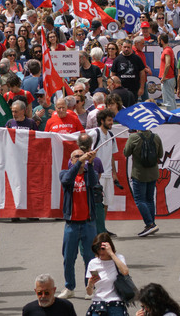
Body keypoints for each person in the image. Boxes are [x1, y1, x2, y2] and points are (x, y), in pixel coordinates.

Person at [58, 141, 100, 299]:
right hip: (72, 224)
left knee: (90, 258)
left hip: (88, 223)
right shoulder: (65, 173)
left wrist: (90, 162)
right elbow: (66, 180)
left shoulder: (88, 173)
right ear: (71, 160)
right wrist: (81, 161)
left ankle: (90, 287)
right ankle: (69, 287)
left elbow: (94, 182)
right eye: (76, 156)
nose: (79, 158)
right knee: (68, 257)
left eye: (80, 155)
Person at [123, 128, 163, 237]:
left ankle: (149, 224)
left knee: (139, 200)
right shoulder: (156, 137)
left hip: (139, 173)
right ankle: (152, 223)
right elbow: (160, 155)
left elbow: (126, 153)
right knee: (150, 199)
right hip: (153, 173)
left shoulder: (133, 137)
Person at [88, 111, 119, 235]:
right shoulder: (94, 134)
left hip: (108, 175)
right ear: (102, 121)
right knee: (97, 204)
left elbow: (111, 155)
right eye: (109, 120)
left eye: (112, 120)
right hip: (97, 175)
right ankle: (94, 229)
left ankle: (102, 228)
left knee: (106, 203)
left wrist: (114, 174)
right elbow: (86, 151)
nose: (111, 123)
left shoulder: (111, 135)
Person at [84, 233, 130, 316]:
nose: (100, 251)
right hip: (98, 303)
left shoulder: (118, 258)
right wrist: (90, 285)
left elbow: (125, 271)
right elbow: (89, 292)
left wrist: (112, 254)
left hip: (116, 304)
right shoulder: (93, 263)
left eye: (102, 248)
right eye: (97, 249)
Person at [158, 34, 177, 110]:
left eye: (158, 40)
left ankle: (171, 116)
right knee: (171, 99)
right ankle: (174, 114)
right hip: (169, 77)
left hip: (167, 78)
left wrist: (164, 76)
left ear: (162, 41)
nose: (158, 42)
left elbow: (168, 64)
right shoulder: (168, 50)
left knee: (168, 100)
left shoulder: (167, 50)